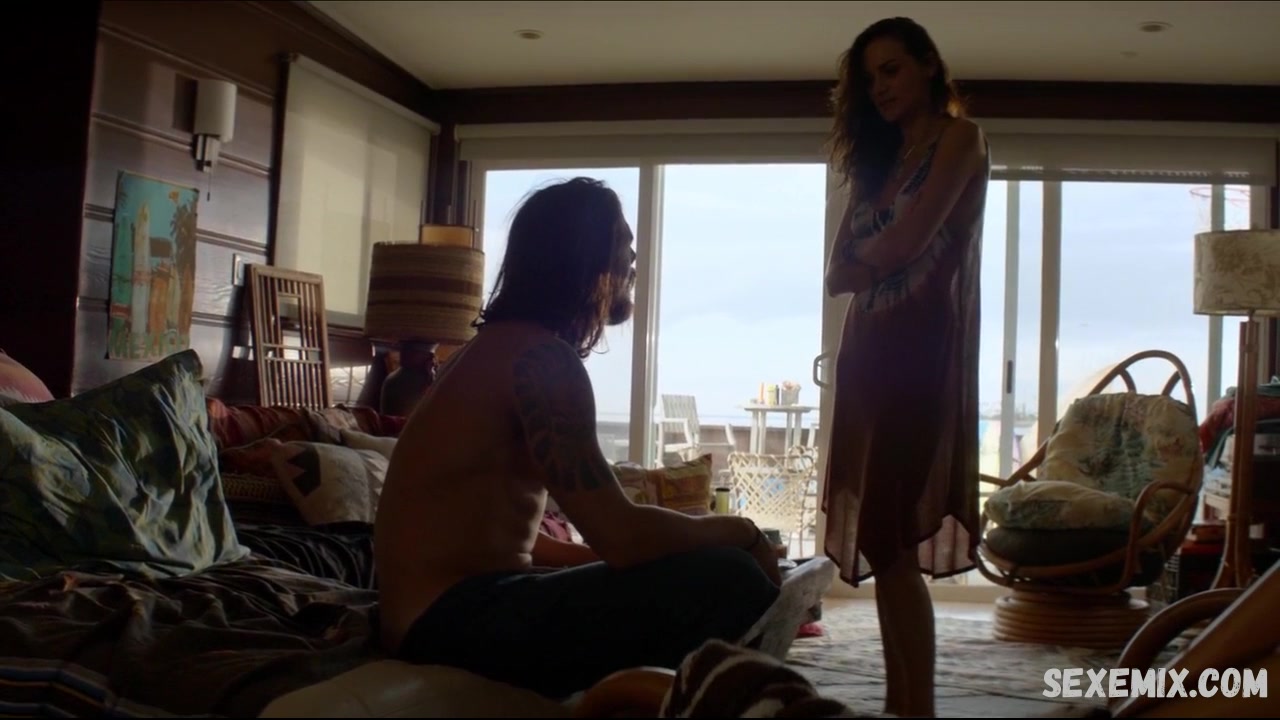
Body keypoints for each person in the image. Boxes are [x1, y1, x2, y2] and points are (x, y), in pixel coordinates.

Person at [373, 177, 784, 701]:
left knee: (690, 563)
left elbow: (515, 541)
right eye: (623, 244)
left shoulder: (492, 350)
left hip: (439, 616)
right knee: (727, 575)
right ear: (582, 255)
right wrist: (741, 532)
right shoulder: (540, 360)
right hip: (450, 626)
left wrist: (631, 556)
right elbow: (623, 535)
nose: (633, 261)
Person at [821, 17, 991, 718]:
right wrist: (873, 260)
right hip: (867, 356)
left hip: (922, 355)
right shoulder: (881, 162)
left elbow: (907, 244)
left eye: (891, 69)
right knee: (879, 536)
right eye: (870, 79)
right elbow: (836, 274)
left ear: (927, 64)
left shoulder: (960, 138)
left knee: (890, 532)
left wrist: (872, 259)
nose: (881, 87)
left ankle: (916, 707)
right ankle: (902, 702)